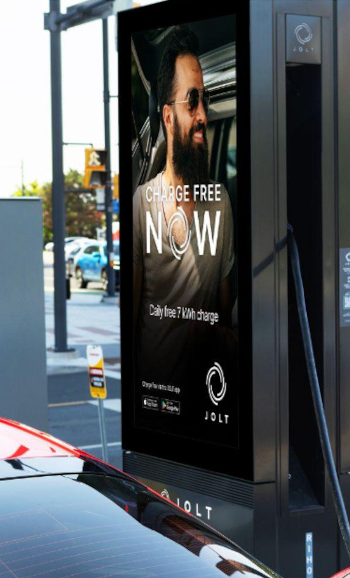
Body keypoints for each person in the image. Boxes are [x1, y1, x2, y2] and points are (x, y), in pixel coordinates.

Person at [131, 25, 236, 398]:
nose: (203, 115)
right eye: (192, 102)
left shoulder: (219, 202)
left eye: (204, 101)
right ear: (168, 116)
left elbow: (224, 319)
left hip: (206, 397)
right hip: (156, 398)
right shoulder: (142, 203)